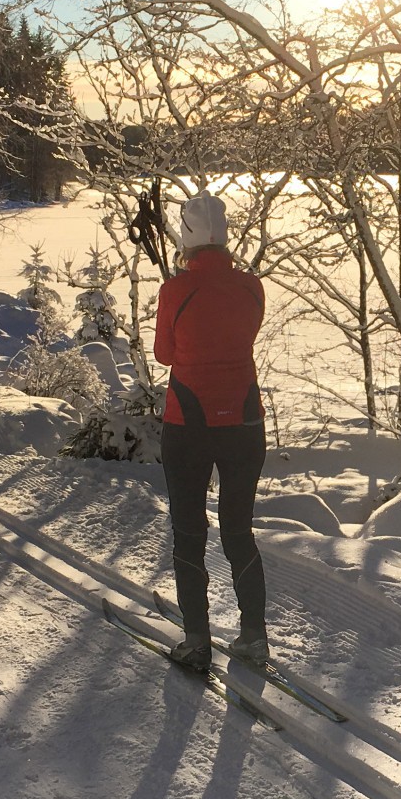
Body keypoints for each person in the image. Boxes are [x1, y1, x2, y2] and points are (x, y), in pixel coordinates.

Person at [152, 191, 269, 672]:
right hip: (244, 422)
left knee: (189, 532)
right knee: (239, 531)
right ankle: (254, 636)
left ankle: (197, 640)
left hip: (188, 424)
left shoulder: (174, 292)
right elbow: (246, 334)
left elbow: (163, 354)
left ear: (187, 240)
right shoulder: (251, 288)